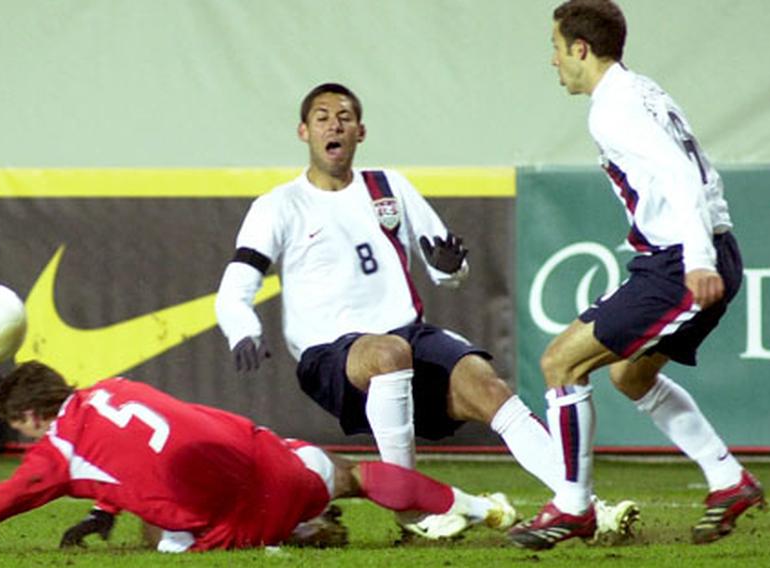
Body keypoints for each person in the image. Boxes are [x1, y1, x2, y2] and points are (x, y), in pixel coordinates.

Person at [214, 82, 638, 540]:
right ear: (303, 132)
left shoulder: (388, 187)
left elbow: (447, 265)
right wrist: (242, 328)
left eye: (345, 116)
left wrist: (453, 267)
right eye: (322, 117)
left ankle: (585, 507)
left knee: (491, 389)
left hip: (406, 337)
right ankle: (411, 510)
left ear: (361, 131)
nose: (334, 124)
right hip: (329, 355)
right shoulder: (279, 205)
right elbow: (236, 285)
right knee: (389, 353)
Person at [508, 0, 765, 550]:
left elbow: (677, 174)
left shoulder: (613, 107)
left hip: (681, 260)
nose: (552, 61)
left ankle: (573, 507)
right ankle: (727, 480)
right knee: (629, 376)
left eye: (556, 48)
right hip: (701, 250)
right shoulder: (643, 90)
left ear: (580, 48)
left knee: (559, 362)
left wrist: (696, 259)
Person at [0, 361, 517, 554]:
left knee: (165, 530)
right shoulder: (116, 389)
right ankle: (477, 506)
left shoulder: (53, 458)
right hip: (276, 465)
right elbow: (180, 431)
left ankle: (291, 534)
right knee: (350, 474)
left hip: (233, 524)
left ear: (28, 418)